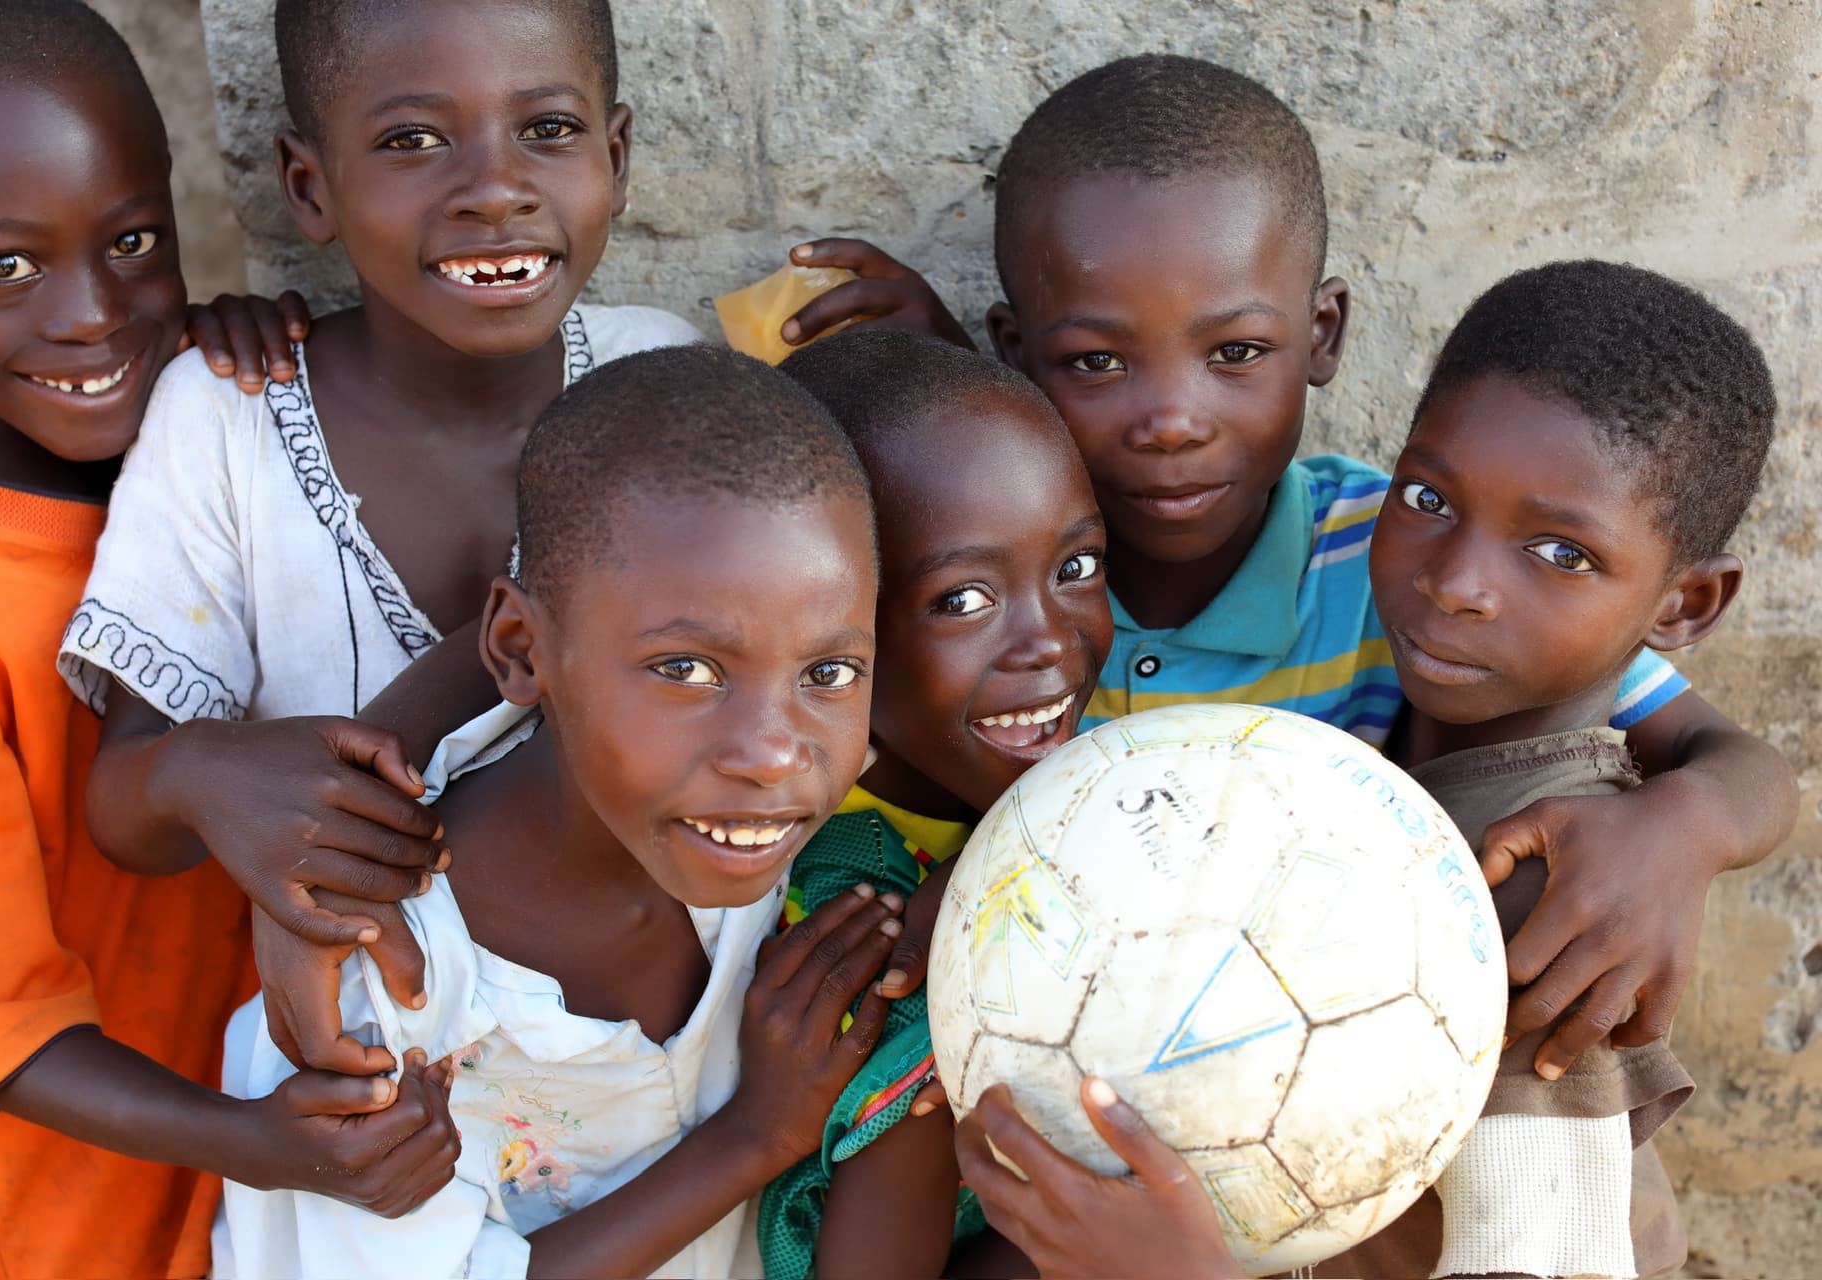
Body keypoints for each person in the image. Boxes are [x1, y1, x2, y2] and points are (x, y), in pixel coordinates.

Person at [778, 53, 1797, 1085]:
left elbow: (1732, 755)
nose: (1172, 423)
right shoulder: (1018, 602)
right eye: (1095, 361)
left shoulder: (1396, 558)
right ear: (1017, 354)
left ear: (1323, 334)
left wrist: (1685, 830)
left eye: (1236, 353)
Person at [0, 3, 462, 1276]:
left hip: (228, 1185)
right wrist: (260, 1140)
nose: (96, 313)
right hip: (33, 1228)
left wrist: (215, 361)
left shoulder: (189, 432)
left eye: (134, 242)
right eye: (7, 267)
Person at [217, 344, 906, 1279]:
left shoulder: (796, 835)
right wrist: (758, 1136)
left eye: (827, 673)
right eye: (686, 671)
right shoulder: (374, 989)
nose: (774, 752)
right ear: (519, 648)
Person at [55, 0, 702, 989]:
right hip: (368, 1065)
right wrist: (204, 772)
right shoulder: (228, 422)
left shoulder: (665, 376)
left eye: (548, 129)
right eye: (412, 139)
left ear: (614, 153)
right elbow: (127, 802)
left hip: (668, 1037)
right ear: (309, 187)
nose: (495, 189)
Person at [1322, 259, 1776, 1279]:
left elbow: (1536, 1257)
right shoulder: (1378, 740)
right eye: (1429, 496)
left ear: (1684, 605)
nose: (1458, 582)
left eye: (1562, 553)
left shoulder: (1540, 883)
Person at [758, 330, 1237, 1280]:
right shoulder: (844, 907)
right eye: (963, 600)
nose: (1051, 644)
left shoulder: (1109, 796)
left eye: (1076, 568)